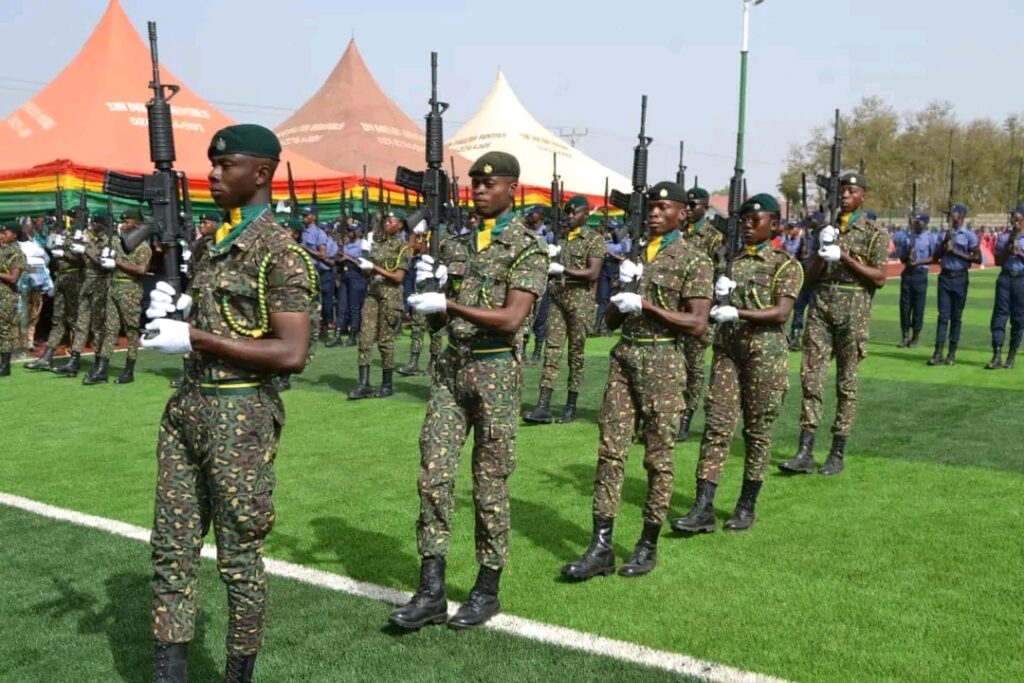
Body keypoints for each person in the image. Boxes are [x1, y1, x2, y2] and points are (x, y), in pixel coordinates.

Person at [142, 124, 317, 683]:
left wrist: (194, 337)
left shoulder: (281, 254)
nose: (213, 174)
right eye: (212, 164)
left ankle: (237, 675)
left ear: (261, 173)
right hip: (188, 409)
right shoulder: (208, 242)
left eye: (226, 165)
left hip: (240, 417)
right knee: (171, 550)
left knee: (239, 559)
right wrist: (174, 308)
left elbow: (292, 352)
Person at [388, 151, 547, 630]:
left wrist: (450, 303)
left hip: (495, 372)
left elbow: (512, 318)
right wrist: (428, 295)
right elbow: (440, 322)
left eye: (489, 183)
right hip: (451, 370)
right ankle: (431, 590)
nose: (479, 189)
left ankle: (486, 588)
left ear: (512, 189)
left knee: (489, 483)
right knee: (433, 477)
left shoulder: (528, 248)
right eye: (475, 182)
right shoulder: (456, 245)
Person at [561, 181, 712, 581]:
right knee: (610, 453)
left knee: (658, 458)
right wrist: (622, 290)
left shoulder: (694, 260)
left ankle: (647, 544)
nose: (656, 214)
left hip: (664, 361)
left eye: (665, 208)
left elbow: (698, 323)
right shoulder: (636, 254)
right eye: (653, 208)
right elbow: (610, 322)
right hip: (625, 357)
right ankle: (601, 546)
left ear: (683, 213)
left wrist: (645, 304)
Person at [671, 194, 801, 534]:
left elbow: (781, 313)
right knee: (717, 426)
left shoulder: (785, 264)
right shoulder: (730, 262)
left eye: (755, 220)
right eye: (743, 220)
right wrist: (719, 296)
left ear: (774, 224)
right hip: (728, 350)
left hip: (765, 355)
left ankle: (746, 505)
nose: (747, 225)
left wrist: (737, 312)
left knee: (757, 431)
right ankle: (703, 507)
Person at [779, 172, 887, 476]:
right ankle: (805, 450)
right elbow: (809, 276)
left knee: (846, 383)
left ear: (862, 196)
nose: (845, 195)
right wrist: (822, 253)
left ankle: (837, 451)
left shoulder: (874, 233)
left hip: (854, 310)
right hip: (822, 307)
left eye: (851, 191)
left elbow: (879, 278)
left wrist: (845, 258)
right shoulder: (826, 229)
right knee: (811, 378)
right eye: (842, 191)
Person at [523, 195, 604, 424]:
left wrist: (563, 270)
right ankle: (543, 405)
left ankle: (570, 405)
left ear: (585, 214)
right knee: (552, 350)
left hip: (579, 300)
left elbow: (593, 273)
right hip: (557, 297)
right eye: (567, 212)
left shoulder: (594, 239)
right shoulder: (561, 238)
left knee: (576, 354)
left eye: (574, 212)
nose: (570, 216)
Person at [675, 186, 724, 441]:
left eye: (694, 205)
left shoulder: (713, 237)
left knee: (693, 367)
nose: (689, 209)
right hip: (674, 309)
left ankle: (686, 417)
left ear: (705, 207)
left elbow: (719, 273)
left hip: (698, 310)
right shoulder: (677, 233)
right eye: (686, 204)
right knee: (673, 365)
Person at [347, 209, 411, 399]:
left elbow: (398, 277)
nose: (386, 224)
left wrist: (374, 267)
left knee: (385, 340)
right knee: (365, 338)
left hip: (390, 297)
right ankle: (363, 384)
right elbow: (368, 272)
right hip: (373, 293)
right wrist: (364, 263)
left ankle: (387, 384)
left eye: (391, 221)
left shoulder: (404, 248)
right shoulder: (376, 244)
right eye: (386, 221)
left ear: (400, 225)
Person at [53, 210, 116, 379]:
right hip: (86, 283)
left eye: (95, 223)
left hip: (101, 284)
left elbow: (103, 264)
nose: (92, 225)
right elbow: (81, 263)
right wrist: (67, 252)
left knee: (98, 326)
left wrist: (85, 250)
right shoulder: (91, 239)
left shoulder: (110, 241)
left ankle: (98, 363)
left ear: (102, 224)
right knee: (81, 323)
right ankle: (74, 361)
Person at [26, 208, 83, 370]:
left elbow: (83, 262)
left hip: (74, 279)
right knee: (57, 319)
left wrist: (64, 255)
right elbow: (50, 251)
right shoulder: (63, 234)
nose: (70, 220)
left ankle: (75, 357)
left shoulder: (82, 236)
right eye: (69, 217)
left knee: (74, 320)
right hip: (61, 278)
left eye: (73, 217)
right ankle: (47, 357)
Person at [927, 204, 980, 366]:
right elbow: (936, 257)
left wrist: (955, 252)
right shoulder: (944, 234)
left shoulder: (969, 235)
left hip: (960, 278)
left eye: (954, 214)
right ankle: (938, 352)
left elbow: (977, 258)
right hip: (945, 277)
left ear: (961, 216)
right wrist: (945, 241)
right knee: (943, 316)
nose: (951, 217)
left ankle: (951, 353)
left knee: (956, 317)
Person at [398, 221, 443, 376]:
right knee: (417, 327)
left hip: (436, 290)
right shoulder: (418, 247)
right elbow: (410, 249)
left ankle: (434, 362)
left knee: (436, 330)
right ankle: (414, 362)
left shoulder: (439, 242)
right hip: (420, 291)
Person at [984, 203, 1024, 369]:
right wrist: (1009, 247)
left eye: (1015, 215)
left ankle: (1011, 355)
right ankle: (997, 354)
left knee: (1018, 319)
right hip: (1005, 278)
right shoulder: (1004, 237)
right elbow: (998, 261)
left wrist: (1020, 253)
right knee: (999, 317)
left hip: (1021, 280)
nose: (1012, 218)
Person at [327, 222, 369, 348]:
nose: (349, 233)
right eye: (349, 230)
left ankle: (353, 335)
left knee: (354, 307)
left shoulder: (363, 244)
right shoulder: (346, 244)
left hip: (358, 276)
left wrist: (348, 258)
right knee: (341, 306)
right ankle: (338, 335)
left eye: (352, 231)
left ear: (358, 232)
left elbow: (365, 263)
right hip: (346, 276)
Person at [897, 213, 935, 348]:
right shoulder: (908, 238)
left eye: (919, 222)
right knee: (905, 307)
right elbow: (901, 258)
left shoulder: (930, 238)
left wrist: (918, 262)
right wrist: (907, 254)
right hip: (908, 274)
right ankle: (905, 335)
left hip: (920, 274)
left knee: (918, 307)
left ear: (926, 223)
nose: (916, 224)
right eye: (915, 222)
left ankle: (915, 336)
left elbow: (933, 257)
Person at [300, 206, 336, 341]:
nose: (304, 217)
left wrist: (306, 248)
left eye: (307, 215)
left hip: (321, 272)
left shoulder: (319, 233)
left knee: (325, 304)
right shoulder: (302, 232)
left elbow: (322, 254)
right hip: (306, 272)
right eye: (303, 215)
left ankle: (324, 329)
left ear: (313, 217)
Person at [788, 211, 821, 350]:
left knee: (815, 312)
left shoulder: (821, 238)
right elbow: (798, 255)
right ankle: (795, 337)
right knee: (799, 308)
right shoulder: (806, 238)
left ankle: (813, 340)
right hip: (804, 277)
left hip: (816, 280)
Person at [0, 221, 27, 376]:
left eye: (5, 233)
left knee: (4, 329)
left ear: (15, 235)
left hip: (6, 296)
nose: (1, 235)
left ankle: (4, 366)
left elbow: (13, 278)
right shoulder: (2, 250)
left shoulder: (17, 254)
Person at [595, 219, 629, 335]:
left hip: (616, 269)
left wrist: (611, 253)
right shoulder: (603, 241)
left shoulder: (623, 242)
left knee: (613, 299)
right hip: (604, 269)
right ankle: (597, 327)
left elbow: (625, 258)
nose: (610, 232)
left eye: (613, 229)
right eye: (609, 229)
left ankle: (609, 327)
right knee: (603, 299)